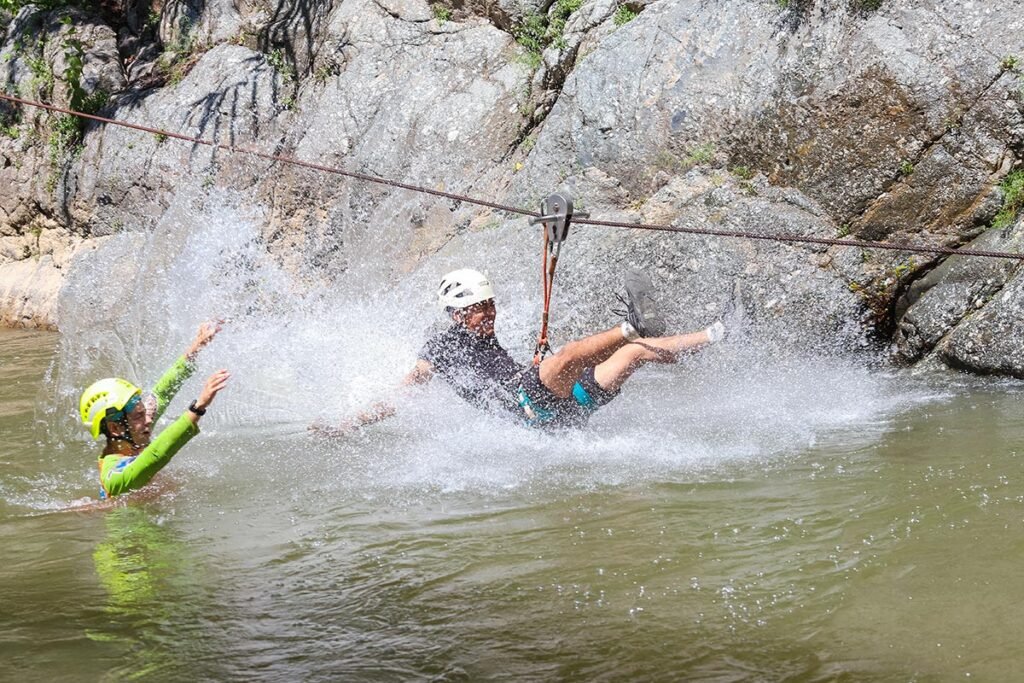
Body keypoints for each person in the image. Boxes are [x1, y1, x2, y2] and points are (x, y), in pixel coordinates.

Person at [314, 268, 725, 434]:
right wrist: (351, 423)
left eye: (490, 307)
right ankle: (632, 324)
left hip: (565, 412)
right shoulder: (441, 347)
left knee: (634, 355)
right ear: (456, 315)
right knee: (567, 356)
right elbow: (407, 390)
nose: (487, 315)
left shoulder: (488, 336)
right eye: (477, 311)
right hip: (524, 407)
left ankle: (718, 334)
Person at [78, 321, 230, 499]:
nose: (149, 419)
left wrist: (196, 346)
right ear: (115, 428)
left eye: (144, 412)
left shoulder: (135, 432)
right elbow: (155, 456)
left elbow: (162, 392)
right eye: (139, 416)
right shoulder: (113, 476)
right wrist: (198, 408)